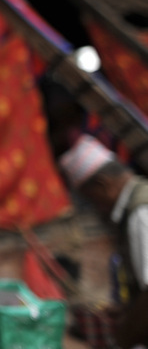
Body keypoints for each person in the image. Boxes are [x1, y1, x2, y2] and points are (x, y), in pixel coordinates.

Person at [59, 134, 148, 348]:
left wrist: (125, 337)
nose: (97, 209)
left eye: (92, 199)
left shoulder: (141, 212)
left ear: (103, 184)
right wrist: (128, 310)